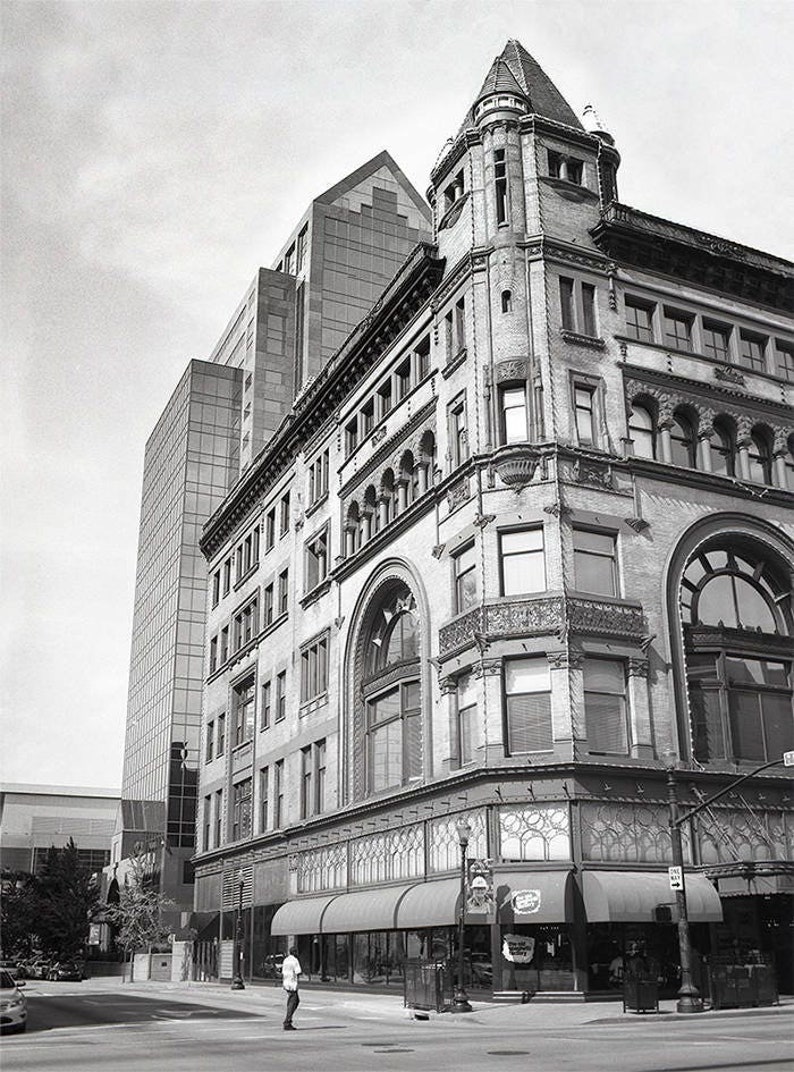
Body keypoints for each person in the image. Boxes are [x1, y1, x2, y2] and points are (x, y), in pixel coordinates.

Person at [281, 947, 302, 1030]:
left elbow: (283, 972)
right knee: (293, 1002)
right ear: (295, 952)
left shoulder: (286, 960)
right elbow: (298, 972)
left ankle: (288, 1019)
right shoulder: (295, 960)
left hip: (286, 982)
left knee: (294, 1001)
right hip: (292, 984)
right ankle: (287, 1021)